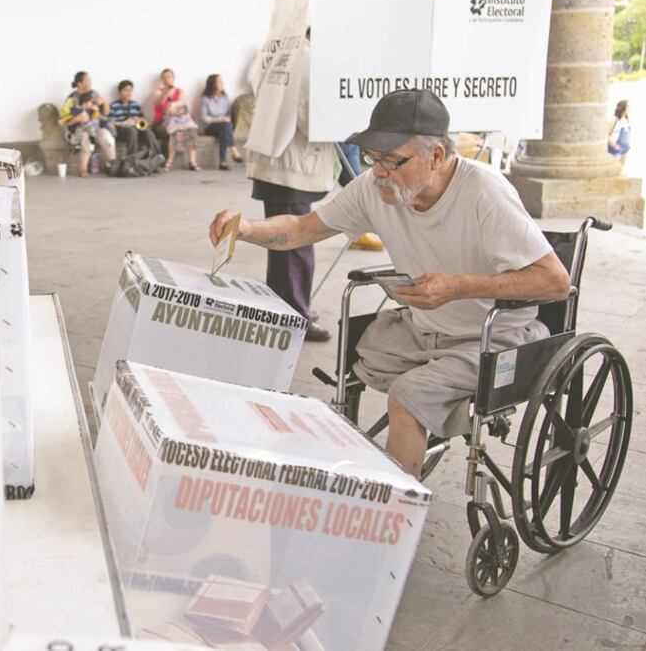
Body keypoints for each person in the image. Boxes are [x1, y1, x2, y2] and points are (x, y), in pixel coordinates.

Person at [209, 89, 570, 476]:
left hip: (492, 339)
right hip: (423, 329)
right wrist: (245, 228)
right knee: (355, 353)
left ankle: (394, 516)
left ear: (436, 156)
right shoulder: (374, 187)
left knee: (408, 396)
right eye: (372, 158)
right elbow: (300, 229)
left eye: (392, 160)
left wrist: (459, 287)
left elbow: (554, 282)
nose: (379, 171)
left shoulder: (484, 192)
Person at [246, 34, 336, 342]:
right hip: (292, 163)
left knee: (282, 243)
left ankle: (284, 310)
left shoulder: (274, 49)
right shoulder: (306, 56)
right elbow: (311, 114)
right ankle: (294, 317)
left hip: (275, 159)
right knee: (295, 242)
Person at [60, 71, 117, 176]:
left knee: (107, 137)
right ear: (79, 84)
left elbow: (106, 113)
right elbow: (64, 121)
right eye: (87, 80)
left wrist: (104, 102)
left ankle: (114, 165)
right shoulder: (72, 99)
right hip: (80, 130)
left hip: (96, 128)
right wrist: (76, 119)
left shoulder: (94, 93)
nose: (90, 83)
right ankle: (83, 170)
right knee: (87, 139)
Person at [152, 69, 200, 171]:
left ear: (173, 78)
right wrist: (166, 91)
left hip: (179, 120)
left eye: (169, 76)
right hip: (162, 122)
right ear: (161, 79)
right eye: (164, 77)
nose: (167, 79)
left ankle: (192, 161)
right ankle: (169, 161)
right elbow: (158, 104)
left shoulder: (180, 91)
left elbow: (181, 103)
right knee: (176, 131)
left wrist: (173, 105)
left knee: (192, 130)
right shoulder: (158, 92)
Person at [109, 80, 162, 159]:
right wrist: (125, 122)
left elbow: (143, 122)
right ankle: (131, 160)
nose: (129, 93)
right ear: (120, 91)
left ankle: (157, 158)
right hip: (122, 130)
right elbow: (111, 122)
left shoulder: (135, 104)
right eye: (126, 90)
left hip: (136, 128)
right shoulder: (113, 105)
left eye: (130, 91)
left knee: (148, 131)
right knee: (132, 131)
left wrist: (139, 120)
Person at [201, 74, 243, 170]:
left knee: (223, 132)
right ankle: (233, 149)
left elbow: (229, 113)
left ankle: (223, 162)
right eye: (219, 81)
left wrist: (225, 119)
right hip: (210, 126)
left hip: (224, 126)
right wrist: (220, 119)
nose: (222, 83)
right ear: (213, 84)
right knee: (225, 125)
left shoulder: (225, 97)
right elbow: (204, 118)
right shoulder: (205, 99)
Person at [608, 100, 631, 169]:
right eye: (628, 107)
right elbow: (605, 134)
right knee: (613, 168)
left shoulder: (627, 120)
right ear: (623, 108)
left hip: (624, 149)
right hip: (615, 148)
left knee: (620, 168)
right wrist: (614, 146)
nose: (629, 109)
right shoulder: (614, 119)